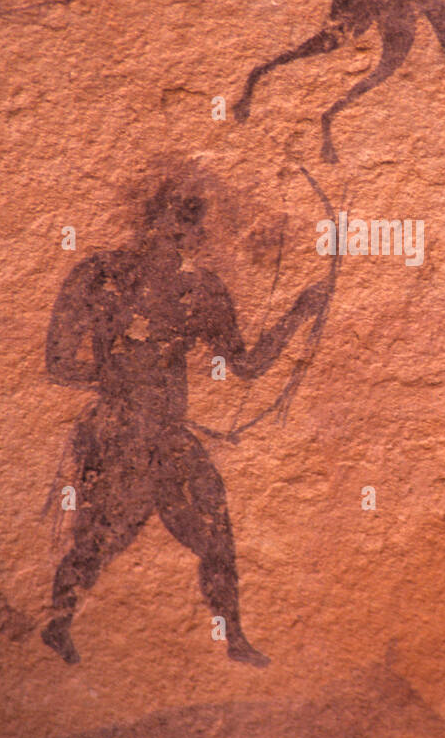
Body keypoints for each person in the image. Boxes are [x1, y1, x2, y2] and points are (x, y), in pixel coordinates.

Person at [41, 164, 329, 668]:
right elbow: (58, 363)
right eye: (177, 216)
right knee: (99, 536)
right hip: (117, 435)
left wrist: (301, 310)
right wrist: (116, 374)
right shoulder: (99, 274)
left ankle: (233, 637)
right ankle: (58, 623)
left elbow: (245, 365)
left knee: (216, 532)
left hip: (172, 439)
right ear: (150, 217)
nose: (185, 231)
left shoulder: (203, 291)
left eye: (194, 222)